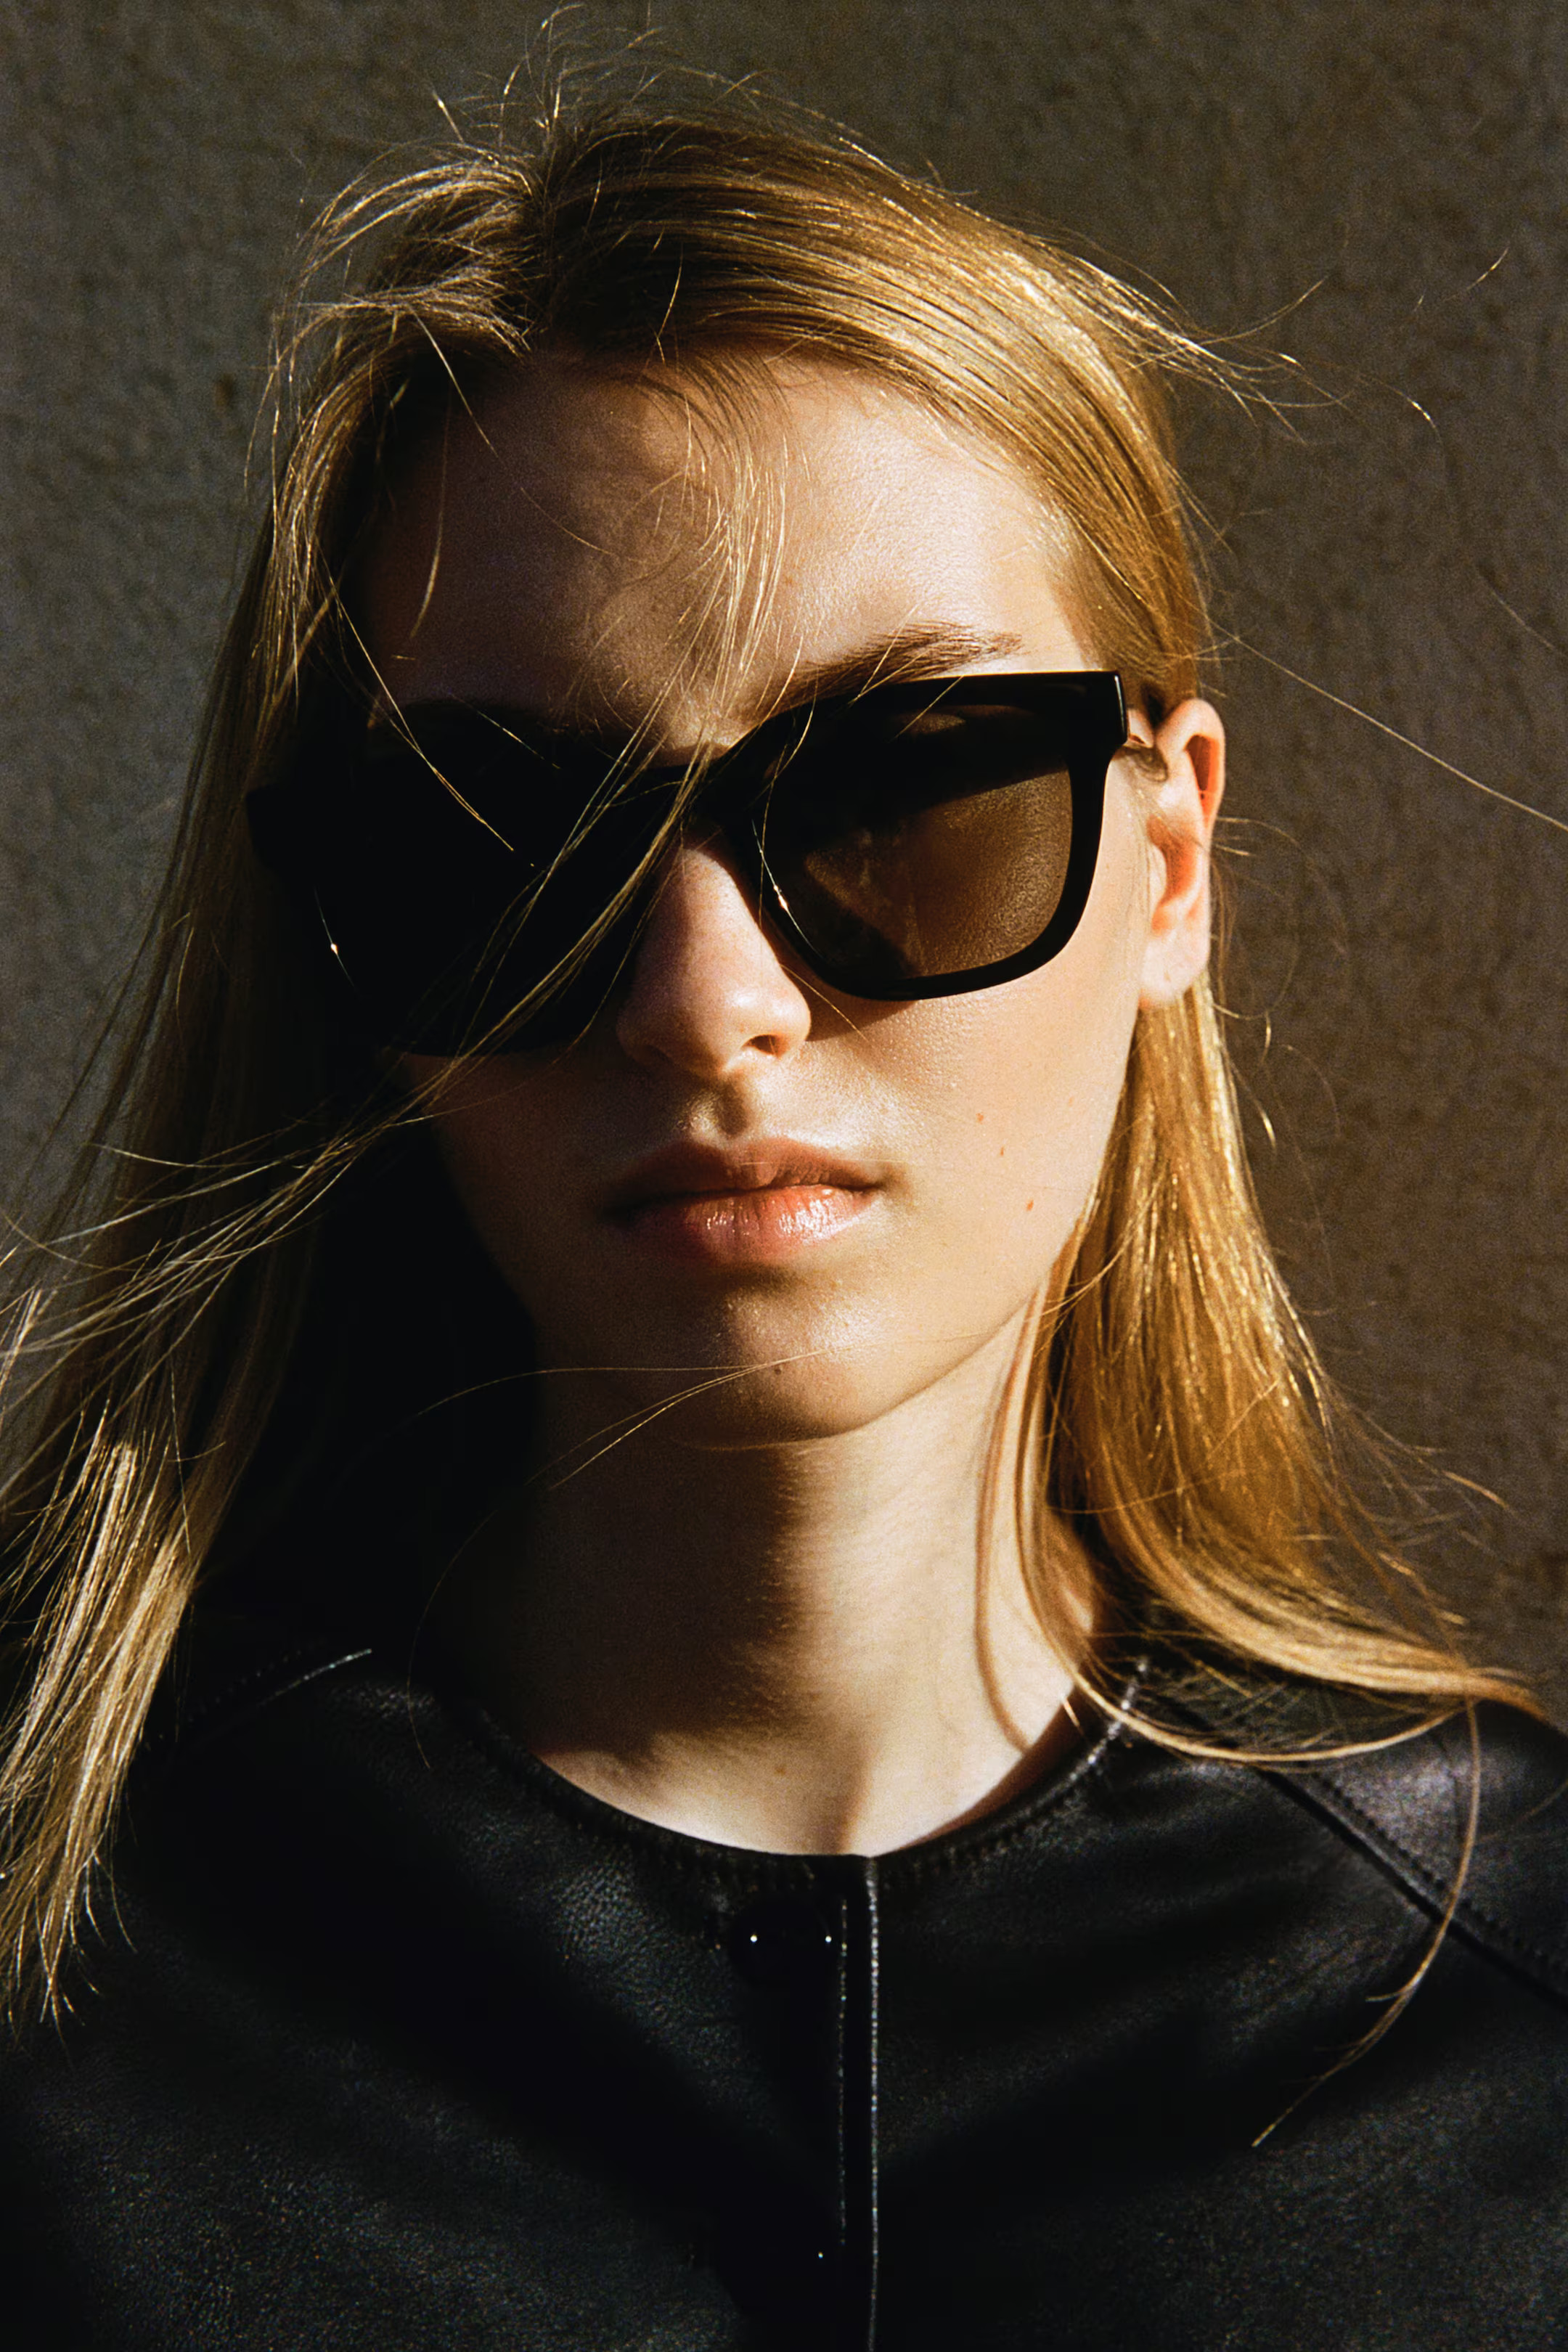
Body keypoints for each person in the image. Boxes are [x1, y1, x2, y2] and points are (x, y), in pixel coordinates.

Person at [1, 90, 1565, 2352]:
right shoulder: (63, 1960)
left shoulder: (1507, 1997)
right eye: (506, 844)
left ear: (1170, 861)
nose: (704, 1000)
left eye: (910, 786)